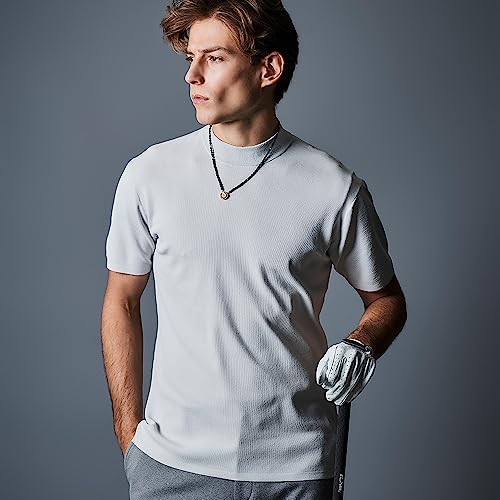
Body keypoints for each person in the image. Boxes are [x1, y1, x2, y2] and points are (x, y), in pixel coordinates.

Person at [100, 1, 407, 499]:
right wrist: (129, 437)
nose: (192, 76)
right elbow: (122, 300)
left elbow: (387, 300)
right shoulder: (149, 176)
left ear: (269, 69)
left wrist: (361, 343)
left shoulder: (333, 187)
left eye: (215, 58)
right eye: (191, 58)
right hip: (172, 467)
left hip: (298, 468)